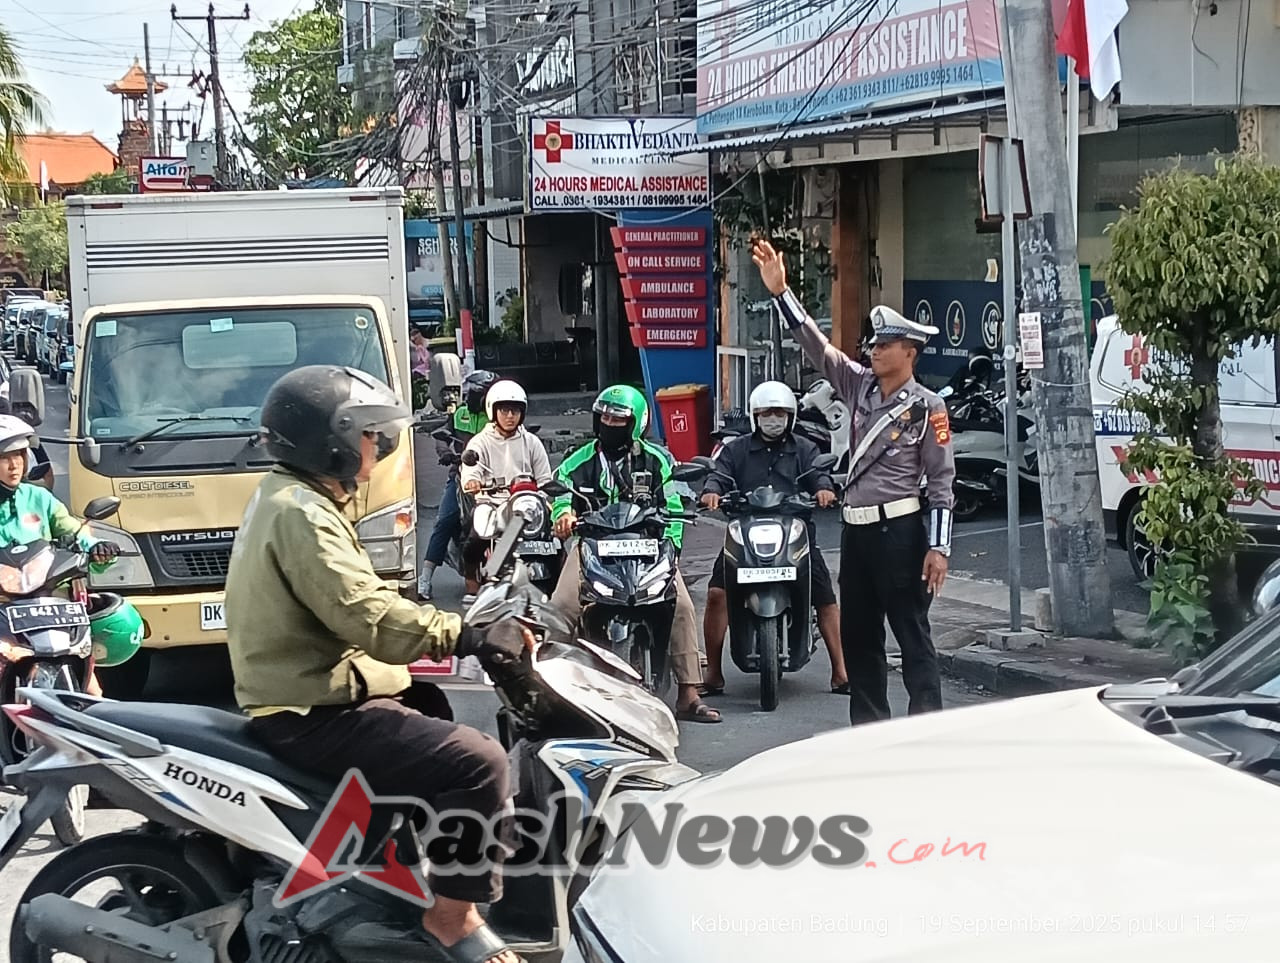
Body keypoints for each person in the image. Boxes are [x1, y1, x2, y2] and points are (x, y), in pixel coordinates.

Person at [225, 364, 526, 963]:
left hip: (311, 690)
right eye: (365, 434)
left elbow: (359, 599)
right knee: (480, 764)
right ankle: (453, 917)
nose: (377, 444)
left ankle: (392, 875)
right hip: (310, 709)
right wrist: (465, 635)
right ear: (330, 442)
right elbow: (366, 616)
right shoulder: (303, 514)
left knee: (429, 705)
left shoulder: (293, 495)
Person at [751, 237, 956, 727]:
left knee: (911, 634)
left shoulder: (928, 407)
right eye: (873, 344)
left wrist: (939, 547)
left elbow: (942, 480)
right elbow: (817, 347)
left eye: (884, 345)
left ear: (909, 352)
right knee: (860, 637)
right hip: (856, 532)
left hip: (900, 533)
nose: (874, 351)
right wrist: (781, 293)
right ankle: (868, 730)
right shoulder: (858, 383)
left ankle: (929, 726)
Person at [549, 385, 721, 724]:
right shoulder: (576, 462)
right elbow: (561, 496)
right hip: (593, 547)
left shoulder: (658, 460)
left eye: (619, 419)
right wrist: (563, 516)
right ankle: (553, 690)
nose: (610, 424)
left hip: (648, 548)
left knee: (682, 606)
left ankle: (688, 694)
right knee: (561, 606)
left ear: (637, 424)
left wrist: (671, 548)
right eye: (605, 418)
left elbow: (674, 508)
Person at [698, 380, 849, 695]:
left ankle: (840, 672)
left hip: (795, 532)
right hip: (744, 532)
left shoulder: (805, 448)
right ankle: (712, 672)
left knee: (825, 598)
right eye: (766, 413)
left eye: (780, 413)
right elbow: (718, 475)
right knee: (716, 594)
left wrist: (824, 490)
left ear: (790, 416)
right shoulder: (736, 449)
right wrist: (712, 492)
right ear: (755, 415)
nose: (773, 419)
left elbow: (818, 474)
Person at [0, 415, 120, 696]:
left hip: (48, 603)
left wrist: (97, 548)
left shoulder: (39, 498)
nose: (14, 464)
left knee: (92, 691)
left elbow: (75, 532)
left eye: (19, 455)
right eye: (4, 457)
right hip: (3, 606)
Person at [421, 369, 499, 600]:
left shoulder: (497, 417)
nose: (471, 398)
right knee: (445, 520)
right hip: (461, 478)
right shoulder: (459, 414)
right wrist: (446, 453)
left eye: (476, 394)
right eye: (470, 393)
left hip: (494, 480)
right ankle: (425, 577)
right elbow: (442, 436)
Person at [461, 379, 552, 493]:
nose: (510, 416)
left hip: (527, 499)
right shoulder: (480, 442)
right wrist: (472, 481)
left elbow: (544, 479)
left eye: (515, 410)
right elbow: (471, 472)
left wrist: (542, 493)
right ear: (493, 411)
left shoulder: (532, 442)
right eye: (504, 410)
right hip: (491, 500)